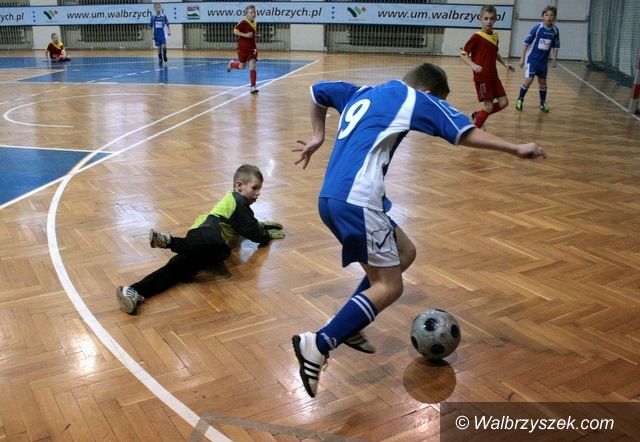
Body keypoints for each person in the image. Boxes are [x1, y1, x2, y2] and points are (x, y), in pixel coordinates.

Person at [291, 63, 546, 398]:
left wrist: (318, 135)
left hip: (331, 198)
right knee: (390, 286)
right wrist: (515, 148)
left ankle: (349, 324)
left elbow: (317, 92)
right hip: (357, 201)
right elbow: (464, 132)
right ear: (428, 93)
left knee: (405, 252)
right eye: (437, 101)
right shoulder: (413, 97)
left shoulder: (362, 92)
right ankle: (319, 343)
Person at [116, 164, 285, 314]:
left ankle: (134, 291)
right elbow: (252, 231)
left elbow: (244, 224)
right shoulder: (239, 201)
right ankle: (169, 241)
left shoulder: (234, 201)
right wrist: (266, 235)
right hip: (209, 231)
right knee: (222, 250)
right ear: (239, 186)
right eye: (254, 188)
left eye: (259, 189)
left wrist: (259, 226)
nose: (258, 193)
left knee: (176, 270)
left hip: (200, 238)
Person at [460, 5, 514, 129]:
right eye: (486, 18)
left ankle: (477, 115)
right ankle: (473, 132)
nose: (489, 21)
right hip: (482, 77)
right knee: (488, 106)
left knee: (504, 103)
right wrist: (473, 65)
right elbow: (463, 54)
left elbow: (495, 52)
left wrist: (504, 63)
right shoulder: (476, 36)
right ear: (481, 19)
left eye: (491, 18)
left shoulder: (495, 35)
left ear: (495, 19)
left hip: (494, 76)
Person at [516, 5, 560, 113]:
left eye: (551, 15)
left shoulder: (555, 30)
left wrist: (554, 58)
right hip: (532, 59)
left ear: (554, 17)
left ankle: (542, 103)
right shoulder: (537, 28)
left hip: (543, 62)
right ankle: (520, 100)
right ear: (542, 17)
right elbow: (525, 43)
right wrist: (522, 59)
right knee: (529, 80)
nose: (549, 17)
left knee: (543, 82)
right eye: (546, 15)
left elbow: (556, 45)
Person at [226, 5, 260, 94]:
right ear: (246, 14)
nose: (253, 14)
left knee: (252, 66)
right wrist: (246, 35)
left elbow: (250, 34)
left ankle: (253, 87)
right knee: (242, 67)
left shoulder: (254, 23)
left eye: (254, 12)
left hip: (252, 48)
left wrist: (255, 35)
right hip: (243, 48)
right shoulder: (243, 22)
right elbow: (235, 31)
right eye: (251, 12)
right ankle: (232, 64)